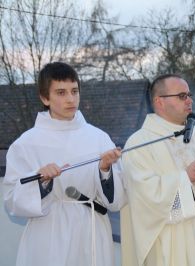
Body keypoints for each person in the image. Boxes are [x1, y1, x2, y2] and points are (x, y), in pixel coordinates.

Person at [2, 62, 126, 266]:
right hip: (49, 231)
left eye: (74, 91)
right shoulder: (26, 143)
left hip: (92, 230)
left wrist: (105, 170)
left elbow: (117, 199)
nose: (70, 99)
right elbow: (12, 201)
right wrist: (41, 181)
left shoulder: (98, 137)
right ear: (45, 98)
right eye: (61, 92)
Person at [120, 73, 195, 266]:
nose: (189, 100)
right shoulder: (140, 143)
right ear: (159, 102)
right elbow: (144, 196)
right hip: (176, 245)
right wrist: (185, 178)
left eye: (189, 95)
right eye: (181, 96)